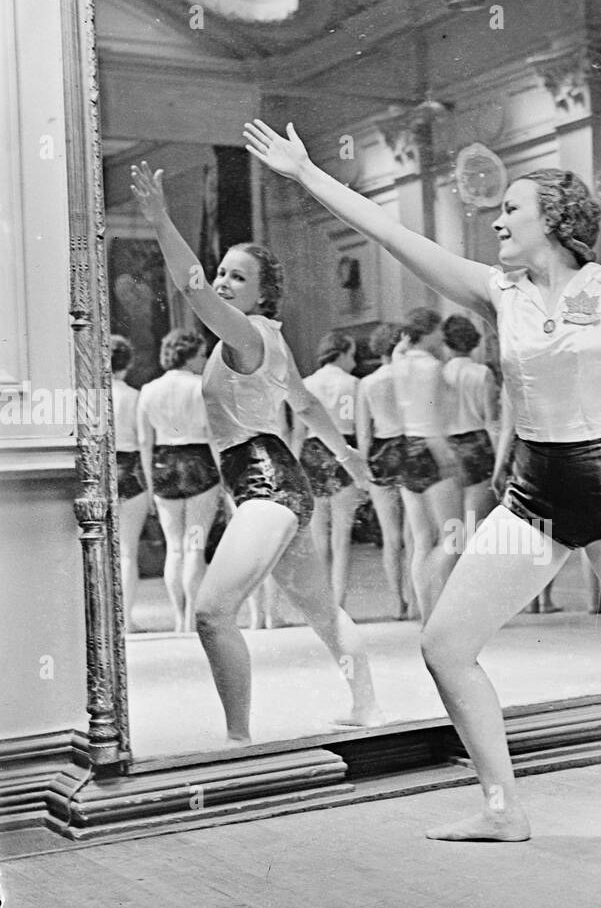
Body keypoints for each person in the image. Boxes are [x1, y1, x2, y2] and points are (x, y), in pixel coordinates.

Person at [243, 120, 601, 842]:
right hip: (534, 492)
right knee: (445, 645)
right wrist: (308, 175)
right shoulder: (497, 290)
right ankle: (503, 810)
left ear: (553, 220)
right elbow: (397, 237)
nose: (497, 219)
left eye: (512, 211)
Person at [129, 160, 382, 742]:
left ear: (263, 294)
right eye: (223, 272)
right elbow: (310, 406)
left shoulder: (246, 334)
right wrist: (350, 462)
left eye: (237, 278)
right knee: (320, 611)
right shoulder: (270, 341)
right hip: (276, 483)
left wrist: (162, 221)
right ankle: (365, 704)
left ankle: (239, 740)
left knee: (212, 612)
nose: (222, 283)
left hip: (265, 481)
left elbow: (191, 289)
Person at [136, 327, 222, 633]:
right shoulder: (201, 387)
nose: (204, 359)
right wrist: (224, 479)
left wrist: (149, 486)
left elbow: (145, 443)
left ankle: (178, 618)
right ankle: (192, 619)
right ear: (189, 355)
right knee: (195, 546)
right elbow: (213, 436)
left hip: (163, 466)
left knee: (174, 548)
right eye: (201, 354)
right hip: (199, 464)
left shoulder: (148, 390)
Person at [391, 308, 464, 621]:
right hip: (431, 446)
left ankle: (426, 612)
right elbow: (431, 413)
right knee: (454, 536)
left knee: (421, 540)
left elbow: (399, 352)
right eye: (438, 331)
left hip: (406, 447)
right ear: (429, 331)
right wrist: (446, 456)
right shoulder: (432, 367)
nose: (442, 336)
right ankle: (440, 602)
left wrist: (403, 346)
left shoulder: (398, 363)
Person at [296, 332, 364, 611]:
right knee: (341, 537)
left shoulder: (306, 383)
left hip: (311, 453)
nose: (354, 360)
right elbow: (360, 428)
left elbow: (298, 432)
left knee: (318, 536)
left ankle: (321, 603)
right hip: (343, 449)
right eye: (353, 354)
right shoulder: (355, 384)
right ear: (343, 352)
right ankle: (339, 604)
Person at [355, 321, 410, 618]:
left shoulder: (367, 383)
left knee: (391, 538)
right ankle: (417, 597)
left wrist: (364, 470)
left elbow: (364, 433)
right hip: (408, 448)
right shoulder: (407, 376)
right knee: (416, 534)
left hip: (380, 452)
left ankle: (397, 601)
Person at [439, 314, 500, 538]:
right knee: (476, 522)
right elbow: (491, 421)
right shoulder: (482, 373)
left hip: (446, 447)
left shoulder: (439, 374)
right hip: (476, 445)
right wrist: (499, 462)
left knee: (450, 526)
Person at [110, 335, 150, 631]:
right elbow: (143, 440)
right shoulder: (135, 397)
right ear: (129, 362)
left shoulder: (89, 397)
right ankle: (125, 620)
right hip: (131, 469)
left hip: (99, 471)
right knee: (127, 551)